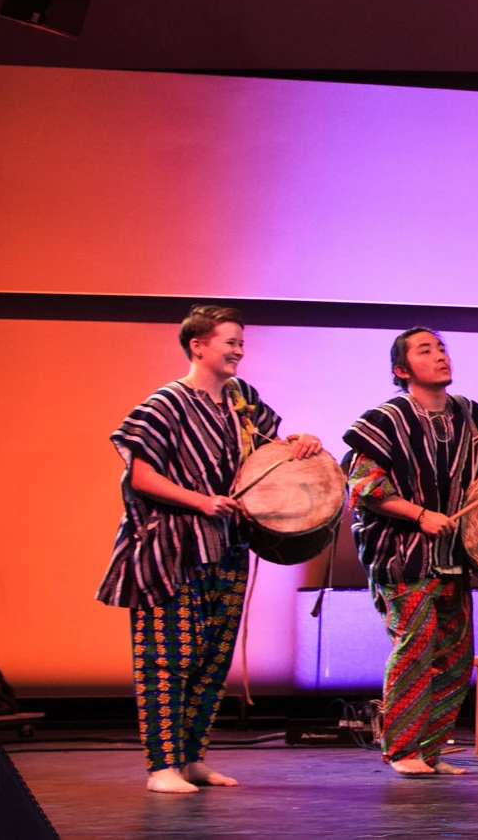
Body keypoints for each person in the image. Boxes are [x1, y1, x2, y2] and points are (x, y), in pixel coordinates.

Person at [101, 305, 323, 793]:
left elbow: (272, 447)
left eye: (242, 343)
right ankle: (162, 767)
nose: (239, 351)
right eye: (230, 342)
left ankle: (192, 758)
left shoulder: (240, 401)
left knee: (211, 658)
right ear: (198, 345)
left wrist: (301, 441)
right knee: (167, 657)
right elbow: (139, 474)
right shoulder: (165, 404)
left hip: (226, 545)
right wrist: (201, 501)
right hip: (172, 548)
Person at [344, 328, 478, 776]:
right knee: (414, 648)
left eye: (442, 348)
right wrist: (418, 515)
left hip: (453, 554)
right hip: (402, 554)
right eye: (425, 351)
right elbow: (366, 488)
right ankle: (401, 751)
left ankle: (429, 751)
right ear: (401, 369)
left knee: (454, 656)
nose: (439, 356)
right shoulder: (384, 420)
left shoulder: (469, 415)